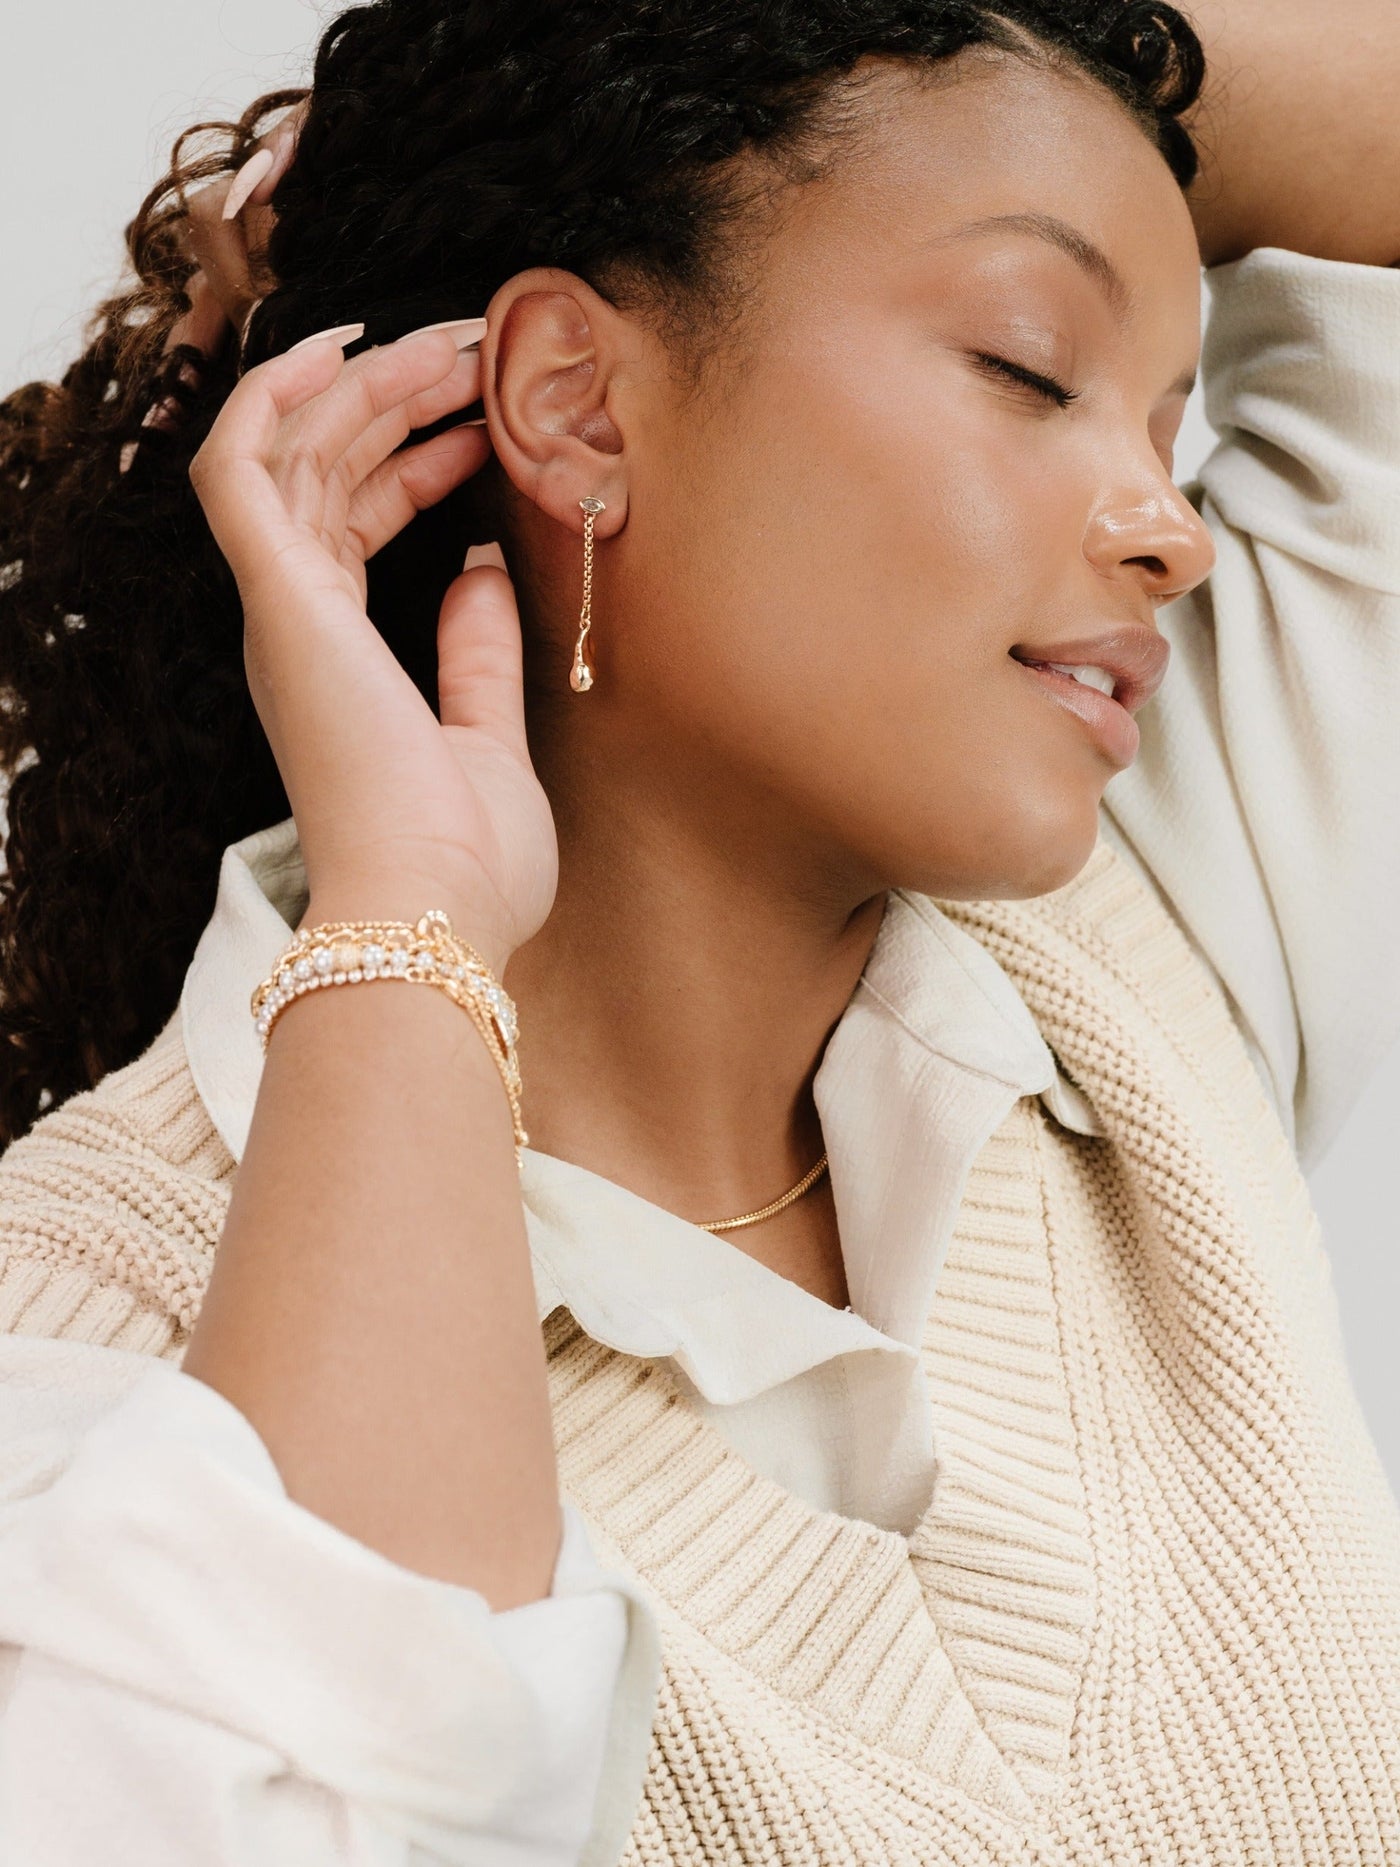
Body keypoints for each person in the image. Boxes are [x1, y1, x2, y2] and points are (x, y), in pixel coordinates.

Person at [0, 0, 1398, 1859]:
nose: (1170, 526)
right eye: (1029, 366)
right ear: (578, 402)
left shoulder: (1139, 949)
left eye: (1168, 419)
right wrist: (416, 908)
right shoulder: (85, 1338)